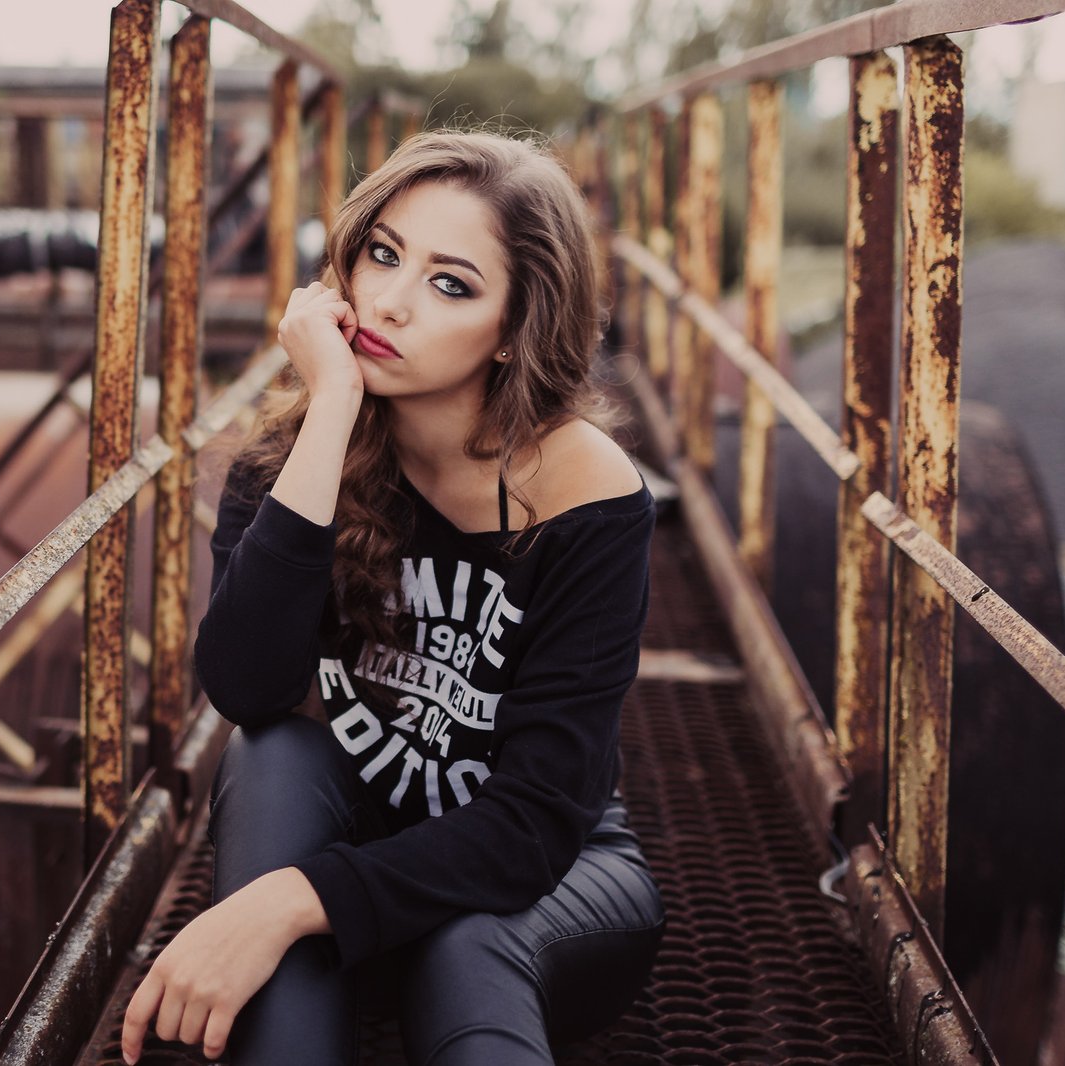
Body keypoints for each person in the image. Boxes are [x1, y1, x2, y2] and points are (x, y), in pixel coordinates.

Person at [121, 129, 665, 1066]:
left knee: (467, 944)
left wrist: (292, 899)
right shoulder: (293, 457)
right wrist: (331, 412)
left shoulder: (586, 495)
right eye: (382, 254)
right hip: (355, 839)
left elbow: (534, 826)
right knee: (274, 750)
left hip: (545, 882)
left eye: (451, 284)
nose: (390, 303)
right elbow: (248, 689)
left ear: (514, 331)